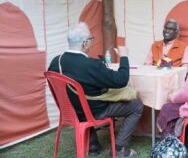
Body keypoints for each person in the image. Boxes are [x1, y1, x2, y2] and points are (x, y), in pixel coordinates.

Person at [48, 22, 143, 157]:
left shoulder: (55, 62)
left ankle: (93, 145)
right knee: (136, 105)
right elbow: (121, 80)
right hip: (95, 112)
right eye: (91, 40)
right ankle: (119, 149)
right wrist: (124, 56)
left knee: (83, 100)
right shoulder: (91, 65)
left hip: (72, 111)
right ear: (85, 42)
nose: (92, 43)